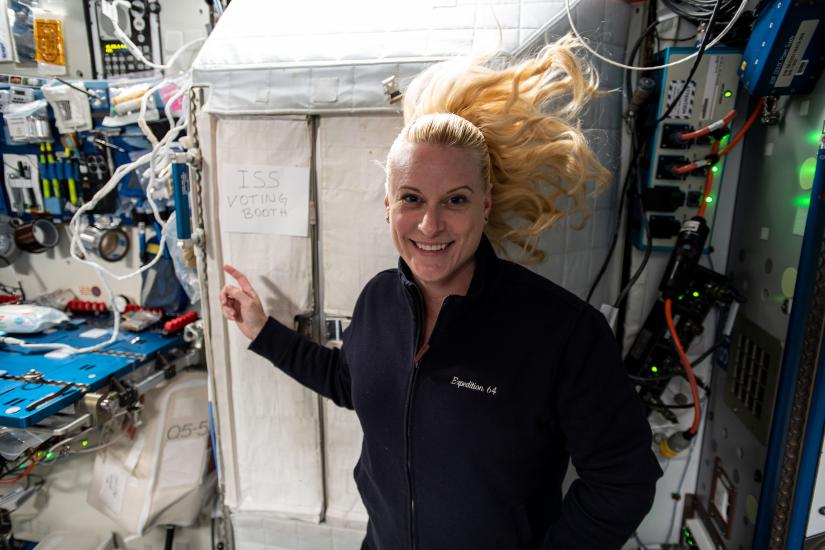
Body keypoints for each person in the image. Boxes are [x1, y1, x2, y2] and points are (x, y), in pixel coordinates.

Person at [220, 35, 662, 550]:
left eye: (455, 199)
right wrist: (261, 330)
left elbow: (623, 482)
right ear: (388, 204)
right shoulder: (378, 300)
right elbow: (350, 381)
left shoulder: (562, 332)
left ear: (486, 205)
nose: (430, 224)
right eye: (412, 198)